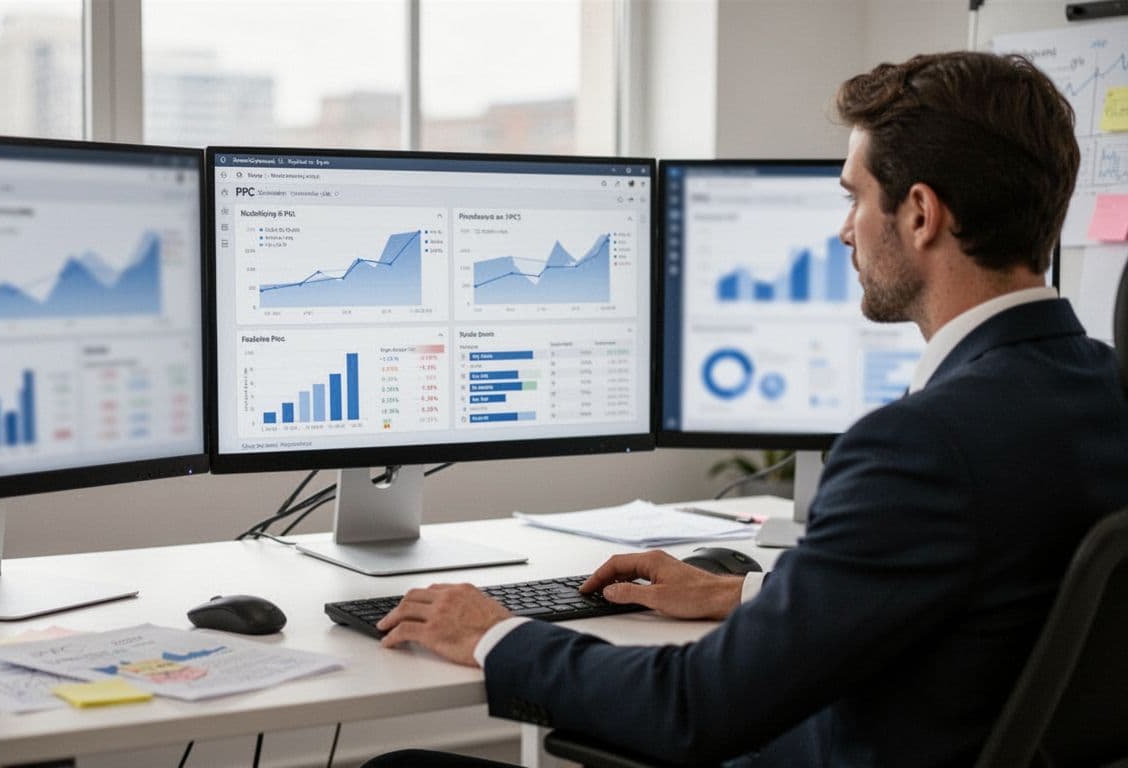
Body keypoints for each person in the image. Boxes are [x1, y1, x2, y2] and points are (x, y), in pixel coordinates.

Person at [367, 51, 1128, 768]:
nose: (843, 231)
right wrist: (749, 592)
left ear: (921, 213)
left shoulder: (919, 446)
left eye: (854, 197)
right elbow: (970, 591)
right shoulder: (1101, 390)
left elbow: (695, 708)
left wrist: (498, 634)